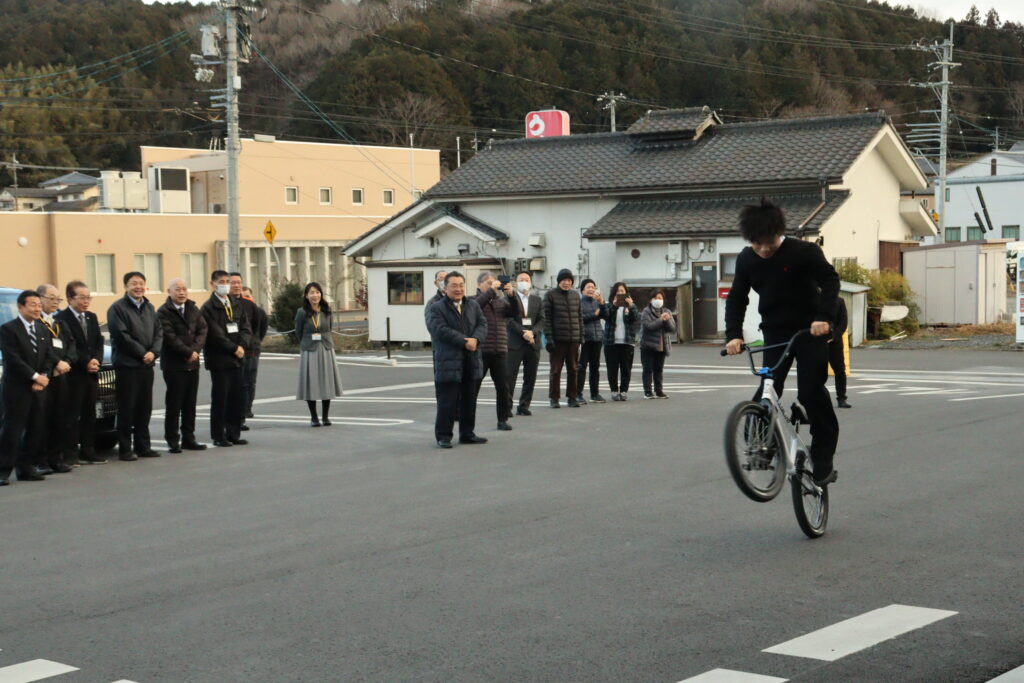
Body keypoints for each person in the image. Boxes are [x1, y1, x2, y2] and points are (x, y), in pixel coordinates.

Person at [724, 198, 841, 486]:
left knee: (811, 391)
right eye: (757, 243)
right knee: (767, 389)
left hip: (809, 331)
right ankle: (760, 453)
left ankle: (823, 458)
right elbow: (738, 297)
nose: (763, 249)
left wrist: (823, 317)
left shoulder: (804, 252)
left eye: (769, 243)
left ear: (780, 234)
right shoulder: (746, 258)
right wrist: (734, 335)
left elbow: (831, 281)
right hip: (775, 333)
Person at [0, 290, 57, 485]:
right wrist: (34, 377)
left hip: (39, 387)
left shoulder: (42, 329)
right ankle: (3, 470)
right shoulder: (8, 329)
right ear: (20, 306)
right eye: (33, 304)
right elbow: (13, 359)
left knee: (35, 428)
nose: (37, 308)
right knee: (12, 430)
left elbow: (49, 356)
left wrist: (43, 377)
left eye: (39, 305)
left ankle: (27, 468)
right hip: (17, 388)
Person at [425, 272, 487, 448]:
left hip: (471, 359)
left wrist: (476, 339)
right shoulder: (436, 308)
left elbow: (483, 324)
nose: (458, 288)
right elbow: (438, 330)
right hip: (448, 362)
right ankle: (443, 435)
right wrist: (464, 341)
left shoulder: (473, 305)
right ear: (445, 288)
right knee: (447, 401)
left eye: (461, 285)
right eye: (454, 285)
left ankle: (467, 433)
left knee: (469, 399)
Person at [107, 271, 163, 460]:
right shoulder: (117, 308)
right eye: (133, 283)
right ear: (125, 287)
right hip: (127, 365)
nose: (138, 287)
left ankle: (143, 446)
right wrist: (142, 353)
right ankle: (125, 448)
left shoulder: (149, 307)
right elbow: (121, 336)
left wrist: (154, 352)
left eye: (141, 283)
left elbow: (158, 332)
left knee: (144, 408)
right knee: (126, 408)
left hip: (146, 366)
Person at [158, 278, 209, 453]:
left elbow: (202, 330)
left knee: (190, 403)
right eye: (177, 289)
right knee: (174, 403)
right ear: (169, 291)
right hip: (174, 365)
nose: (182, 293)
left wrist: (195, 351)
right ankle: (172, 439)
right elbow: (169, 337)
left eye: (184, 289)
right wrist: (188, 352)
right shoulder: (164, 312)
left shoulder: (193, 308)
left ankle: (189, 437)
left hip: (193, 364)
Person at [58, 281, 106, 464]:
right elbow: (69, 345)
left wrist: (96, 361)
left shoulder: (91, 317)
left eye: (88, 297)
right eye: (82, 297)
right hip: (74, 374)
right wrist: (85, 362)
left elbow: (98, 343)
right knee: (72, 414)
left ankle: (88, 450)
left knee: (90, 413)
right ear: (70, 299)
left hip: (91, 373)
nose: (86, 301)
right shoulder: (62, 318)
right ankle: (70, 453)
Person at [201, 270, 251, 448]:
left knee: (236, 398)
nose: (225, 284)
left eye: (227, 281)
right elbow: (215, 334)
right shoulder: (208, 307)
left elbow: (245, 327)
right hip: (220, 359)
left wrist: (242, 346)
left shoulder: (235, 303)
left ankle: (233, 433)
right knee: (221, 398)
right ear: (213, 284)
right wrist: (233, 348)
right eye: (221, 281)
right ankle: (218, 435)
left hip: (237, 358)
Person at [37, 284, 76, 473]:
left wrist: (67, 361)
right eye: (51, 298)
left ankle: (56, 457)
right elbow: (43, 349)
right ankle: (41, 460)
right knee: (42, 419)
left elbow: (70, 343)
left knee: (60, 417)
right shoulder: (36, 323)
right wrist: (56, 363)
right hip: (45, 375)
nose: (55, 302)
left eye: (58, 299)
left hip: (61, 375)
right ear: (40, 298)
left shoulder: (59, 322)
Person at [295, 282, 343, 427]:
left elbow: (329, 327)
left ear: (321, 294)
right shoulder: (302, 312)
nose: (315, 295)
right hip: (310, 350)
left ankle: (326, 416)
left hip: (326, 348)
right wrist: (306, 343)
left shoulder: (327, 309)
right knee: (312, 383)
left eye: (317, 292)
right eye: (312, 293)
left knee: (326, 382)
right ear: (306, 295)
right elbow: (298, 332)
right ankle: (314, 417)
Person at [473, 271, 515, 431]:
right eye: (488, 283)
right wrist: (492, 291)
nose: (493, 286)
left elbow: (514, 313)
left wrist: (511, 296)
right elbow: (476, 306)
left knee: (503, 387)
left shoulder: (501, 301)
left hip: (500, 350)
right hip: (481, 351)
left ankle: (502, 419)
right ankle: (467, 420)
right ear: (479, 285)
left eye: (494, 283)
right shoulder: (472, 300)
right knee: (473, 386)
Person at [543, 268, 584, 408]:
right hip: (557, 340)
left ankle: (572, 397)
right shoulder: (550, 295)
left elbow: (579, 317)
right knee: (555, 370)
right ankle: (554, 398)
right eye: (564, 280)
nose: (567, 283)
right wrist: (549, 338)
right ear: (559, 281)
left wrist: (581, 337)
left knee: (573, 369)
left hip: (573, 339)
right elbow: (546, 319)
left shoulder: (575, 295)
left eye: (569, 281)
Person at [228, 273, 264, 429]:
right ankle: (231, 417)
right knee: (232, 385)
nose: (236, 285)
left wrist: (247, 344)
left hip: (249, 349)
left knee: (247, 382)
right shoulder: (224, 304)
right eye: (233, 283)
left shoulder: (249, 305)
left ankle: (243, 413)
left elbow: (257, 327)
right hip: (229, 350)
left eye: (239, 283)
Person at [506, 271, 543, 416]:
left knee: (530, 376)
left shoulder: (537, 300)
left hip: (533, 343)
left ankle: (524, 405)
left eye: (527, 279)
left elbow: (542, 319)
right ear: (516, 282)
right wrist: (524, 332)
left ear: (531, 282)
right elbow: (509, 320)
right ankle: (507, 407)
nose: (524, 281)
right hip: (515, 342)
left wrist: (533, 332)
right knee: (510, 376)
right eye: (521, 279)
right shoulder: (509, 298)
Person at [601, 282, 639, 401]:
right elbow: (606, 316)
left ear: (626, 292)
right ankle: (613, 391)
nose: (620, 293)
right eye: (618, 291)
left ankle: (623, 391)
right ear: (613, 293)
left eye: (622, 291)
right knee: (612, 368)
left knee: (626, 368)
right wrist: (615, 305)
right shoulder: (608, 305)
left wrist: (631, 306)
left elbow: (636, 318)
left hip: (627, 342)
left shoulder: (630, 306)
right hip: (611, 342)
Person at [639, 290, 676, 399]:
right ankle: (648, 391)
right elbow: (648, 326)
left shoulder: (667, 311)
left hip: (662, 345)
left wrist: (667, 320)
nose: (658, 300)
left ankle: (659, 390)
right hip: (648, 345)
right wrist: (661, 320)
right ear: (651, 300)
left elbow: (673, 329)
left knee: (658, 369)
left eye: (660, 298)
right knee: (648, 368)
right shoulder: (646, 312)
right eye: (656, 298)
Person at [240, 285, 269, 419]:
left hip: (252, 349)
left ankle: (247, 408)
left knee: (250, 380)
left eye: (248, 296)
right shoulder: (237, 310)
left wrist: (255, 342)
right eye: (243, 296)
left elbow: (262, 329)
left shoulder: (259, 312)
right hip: (239, 349)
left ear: (252, 297)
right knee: (239, 380)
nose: (246, 299)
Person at [577, 278, 607, 404]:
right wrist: (594, 315)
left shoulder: (597, 302)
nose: (591, 289)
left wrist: (602, 303)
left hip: (597, 338)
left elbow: (606, 316)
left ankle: (595, 394)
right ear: (582, 290)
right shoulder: (578, 303)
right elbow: (580, 318)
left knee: (595, 367)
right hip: (585, 338)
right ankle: (578, 394)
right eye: (588, 287)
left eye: (593, 287)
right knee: (582, 366)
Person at [830, 298, 851, 409]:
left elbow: (843, 322)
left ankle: (841, 398)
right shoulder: (814, 299)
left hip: (835, 342)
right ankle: (816, 399)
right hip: (817, 342)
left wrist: (834, 336)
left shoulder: (839, 301)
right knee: (816, 371)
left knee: (839, 370)